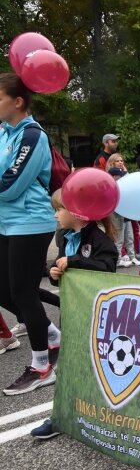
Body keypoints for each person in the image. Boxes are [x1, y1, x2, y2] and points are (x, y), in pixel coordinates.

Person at [29, 188, 118, 438]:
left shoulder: (100, 240)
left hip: (95, 316)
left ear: (77, 212)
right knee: (68, 366)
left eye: (59, 209)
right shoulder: (65, 238)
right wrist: (55, 275)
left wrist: (75, 261)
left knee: (96, 368)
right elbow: (61, 275)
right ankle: (60, 415)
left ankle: (106, 415)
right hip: (71, 313)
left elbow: (108, 269)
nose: (55, 215)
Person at [0, 73, 58, 395]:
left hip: (30, 222)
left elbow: (9, 185)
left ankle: (41, 367)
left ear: (17, 101)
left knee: (24, 293)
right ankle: (50, 334)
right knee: (3, 290)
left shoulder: (33, 134)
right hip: (6, 222)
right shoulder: (5, 133)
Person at [106, 161, 139, 268]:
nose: (122, 178)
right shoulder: (112, 187)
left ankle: (131, 257)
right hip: (117, 216)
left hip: (126, 216)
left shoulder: (122, 186)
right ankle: (117, 259)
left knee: (129, 237)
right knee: (119, 239)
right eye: (120, 176)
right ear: (115, 176)